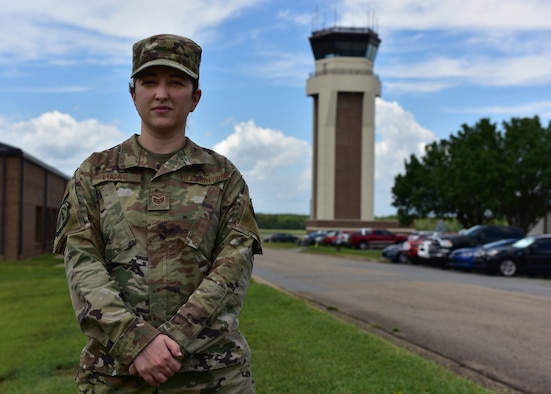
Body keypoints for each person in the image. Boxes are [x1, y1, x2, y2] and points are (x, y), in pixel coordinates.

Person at [54, 33, 262, 393]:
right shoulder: (94, 173)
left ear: (195, 97)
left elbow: (233, 269)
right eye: (149, 82)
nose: (161, 93)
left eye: (176, 83)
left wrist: (171, 341)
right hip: (116, 376)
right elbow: (83, 265)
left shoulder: (224, 177)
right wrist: (135, 343)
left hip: (213, 377)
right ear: (133, 94)